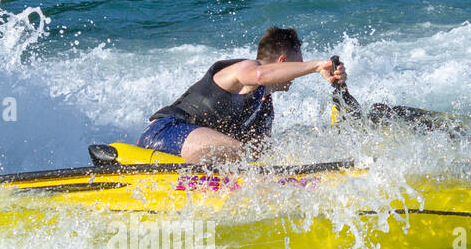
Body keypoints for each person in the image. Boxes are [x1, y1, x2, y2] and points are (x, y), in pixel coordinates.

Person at [137, 27, 346, 163]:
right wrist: (317, 66)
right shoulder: (246, 68)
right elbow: (260, 75)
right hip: (164, 133)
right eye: (298, 65)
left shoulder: (264, 108)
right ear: (282, 62)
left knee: (253, 152)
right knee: (237, 149)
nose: (297, 74)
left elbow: (260, 153)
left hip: (186, 147)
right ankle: (186, 188)